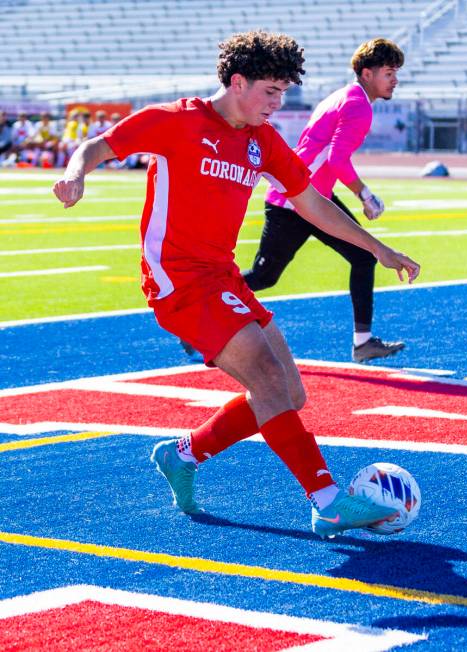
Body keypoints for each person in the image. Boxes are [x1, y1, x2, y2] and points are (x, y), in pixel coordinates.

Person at [52, 31, 420, 539]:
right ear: (238, 81)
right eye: (271, 91)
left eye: (285, 92)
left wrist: (377, 248)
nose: (279, 103)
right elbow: (100, 145)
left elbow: (311, 202)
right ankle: (327, 500)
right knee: (268, 379)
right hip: (177, 281)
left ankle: (183, 454)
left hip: (222, 276)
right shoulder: (177, 121)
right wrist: (76, 174)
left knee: (289, 393)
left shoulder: (262, 140)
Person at [242, 38, 407, 364]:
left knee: (363, 257)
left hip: (311, 195)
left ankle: (363, 343)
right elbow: (337, 159)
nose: (395, 80)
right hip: (295, 199)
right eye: (389, 73)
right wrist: (364, 194)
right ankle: (204, 309)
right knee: (264, 277)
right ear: (367, 73)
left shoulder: (345, 96)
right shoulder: (357, 104)